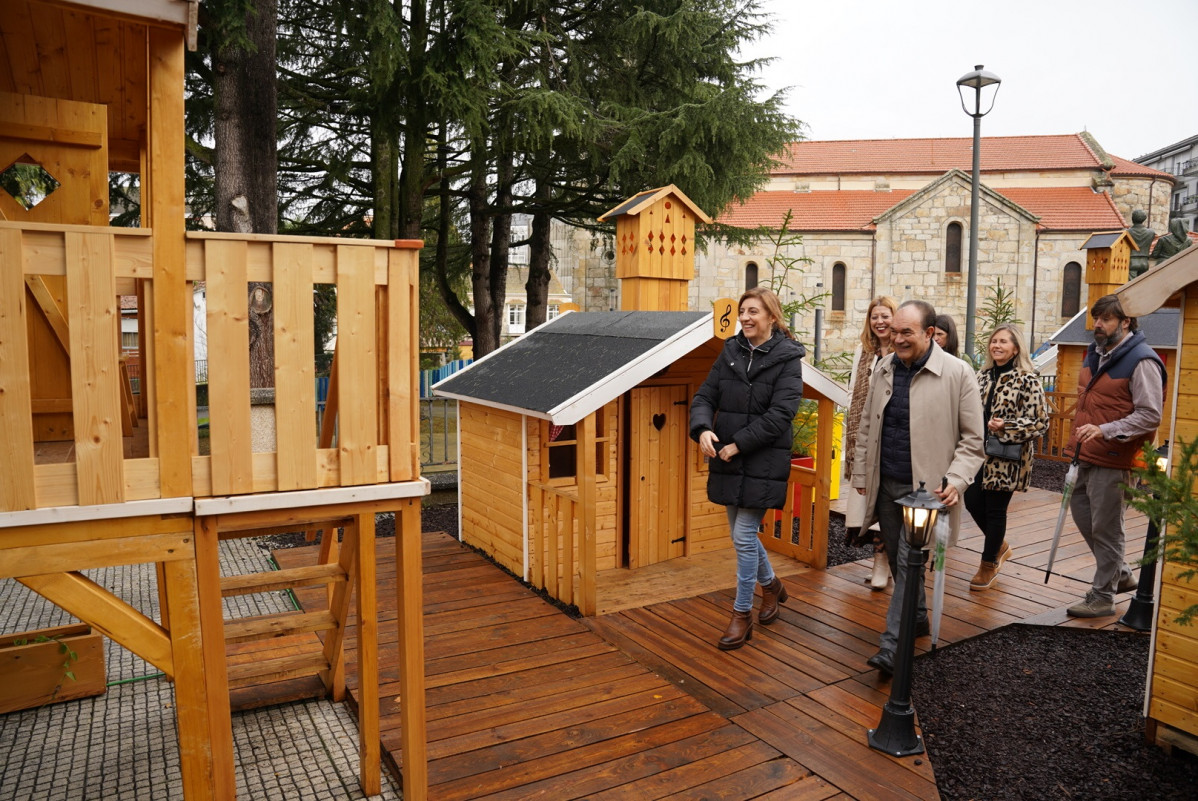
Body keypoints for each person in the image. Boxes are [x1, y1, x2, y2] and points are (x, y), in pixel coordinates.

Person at [850, 299, 985, 676]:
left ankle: (893, 646)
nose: (897, 339)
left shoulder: (958, 373)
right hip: (886, 484)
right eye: (894, 332)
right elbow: (867, 426)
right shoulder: (884, 369)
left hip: (927, 493)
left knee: (910, 564)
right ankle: (919, 617)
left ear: (928, 333)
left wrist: (957, 480)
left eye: (906, 332)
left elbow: (974, 440)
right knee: (899, 560)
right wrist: (861, 474)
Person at [690, 287, 805, 650]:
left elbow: (782, 414)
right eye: (743, 311)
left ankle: (742, 614)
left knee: (743, 536)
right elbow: (705, 395)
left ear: (772, 316)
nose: (744, 318)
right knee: (743, 537)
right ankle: (771, 586)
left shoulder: (788, 358)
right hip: (728, 458)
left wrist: (738, 443)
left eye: (753, 311)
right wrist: (703, 428)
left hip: (762, 460)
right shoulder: (731, 351)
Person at [1064, 294, 1166, 617]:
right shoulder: (1094, 354)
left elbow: (1150, 415)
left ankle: (1103, 597)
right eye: (1096, 318)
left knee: (1107, 529)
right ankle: (1120, 574)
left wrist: (1105, 430)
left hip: (1116, 458)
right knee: (1085, 519)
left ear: (1126, 322)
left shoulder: (1142, 361)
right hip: (1085, 454)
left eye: (1106, 319)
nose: (1098, 324)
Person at [963, 324, 1049, 590]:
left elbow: (1041, 423)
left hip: (1007, 458)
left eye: (1003, 342)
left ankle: (988, 565)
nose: (996, 346)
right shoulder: (982, 376)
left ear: (1015, 348)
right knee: (971, 501)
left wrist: (1007, 426)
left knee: (995, 510)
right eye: (994, 341)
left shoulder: (1027, 380)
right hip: (978, 453)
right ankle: (999, 546)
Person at [842, 296, 899, 591]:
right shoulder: (863, 352)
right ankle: (880, 561)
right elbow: (854, 392)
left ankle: (884, 562)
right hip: (864, 437)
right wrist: (852, 437)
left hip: (890, 437)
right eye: (874, 317)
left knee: (886, 503)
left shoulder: (903, 351)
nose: (879, 322)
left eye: (885, 316)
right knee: (867, 503)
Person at [1126, 209, 1155, 279]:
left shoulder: (1127, 232)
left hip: (1131, 261)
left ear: (1132, 219)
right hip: (1144, 262)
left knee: (1131, 284)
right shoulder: (1151, 232)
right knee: (1143, 283)